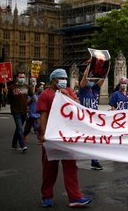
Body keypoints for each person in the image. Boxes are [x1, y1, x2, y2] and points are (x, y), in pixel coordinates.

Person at [37, 69, 92, 207]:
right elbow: (42, 116)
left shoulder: (68, 91)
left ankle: (75, 198)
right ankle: (46, 196)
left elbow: (78, 105)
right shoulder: (45, 94)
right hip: (52, 137)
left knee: (71, 167)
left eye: (65, 77)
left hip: (67, 137)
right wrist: (43, 134)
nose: (64, 80)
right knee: (49, 169)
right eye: (61, 78)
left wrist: (67, 95)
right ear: (53, 80)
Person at [79, 64, 105, 170]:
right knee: (79, 140)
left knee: (94, 140)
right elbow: (85, 78)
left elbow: (102, 79)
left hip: (94, 119)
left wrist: (105, 67)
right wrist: (90, 65)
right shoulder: (82, 89)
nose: (92, 80)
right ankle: (71, 159)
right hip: (83, 119)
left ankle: (94, 161)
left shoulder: (94, 89)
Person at [7, 71, 32, 152]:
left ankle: (14, 144)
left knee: (18, 128)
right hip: (16, 111)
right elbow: (9, 100)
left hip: (24, 111)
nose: (22, 79)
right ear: (17, 78)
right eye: (20, 77)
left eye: (23, 77)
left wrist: (30, 104)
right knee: (20, 128)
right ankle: (22, 145)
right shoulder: (11, 87)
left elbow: (32, 96)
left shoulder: (27, 87)